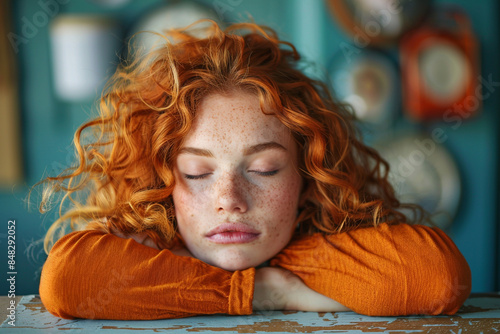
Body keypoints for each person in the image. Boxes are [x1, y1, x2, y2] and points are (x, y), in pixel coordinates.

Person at [37, 20, 471, 320]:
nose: (230, 200)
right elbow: (65, 281)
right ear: (162, 181)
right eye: (196, 172)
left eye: (264, 168)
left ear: (308, 176)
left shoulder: (330, 232)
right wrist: (268, 290)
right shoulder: (147, 240)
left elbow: (437, 278)